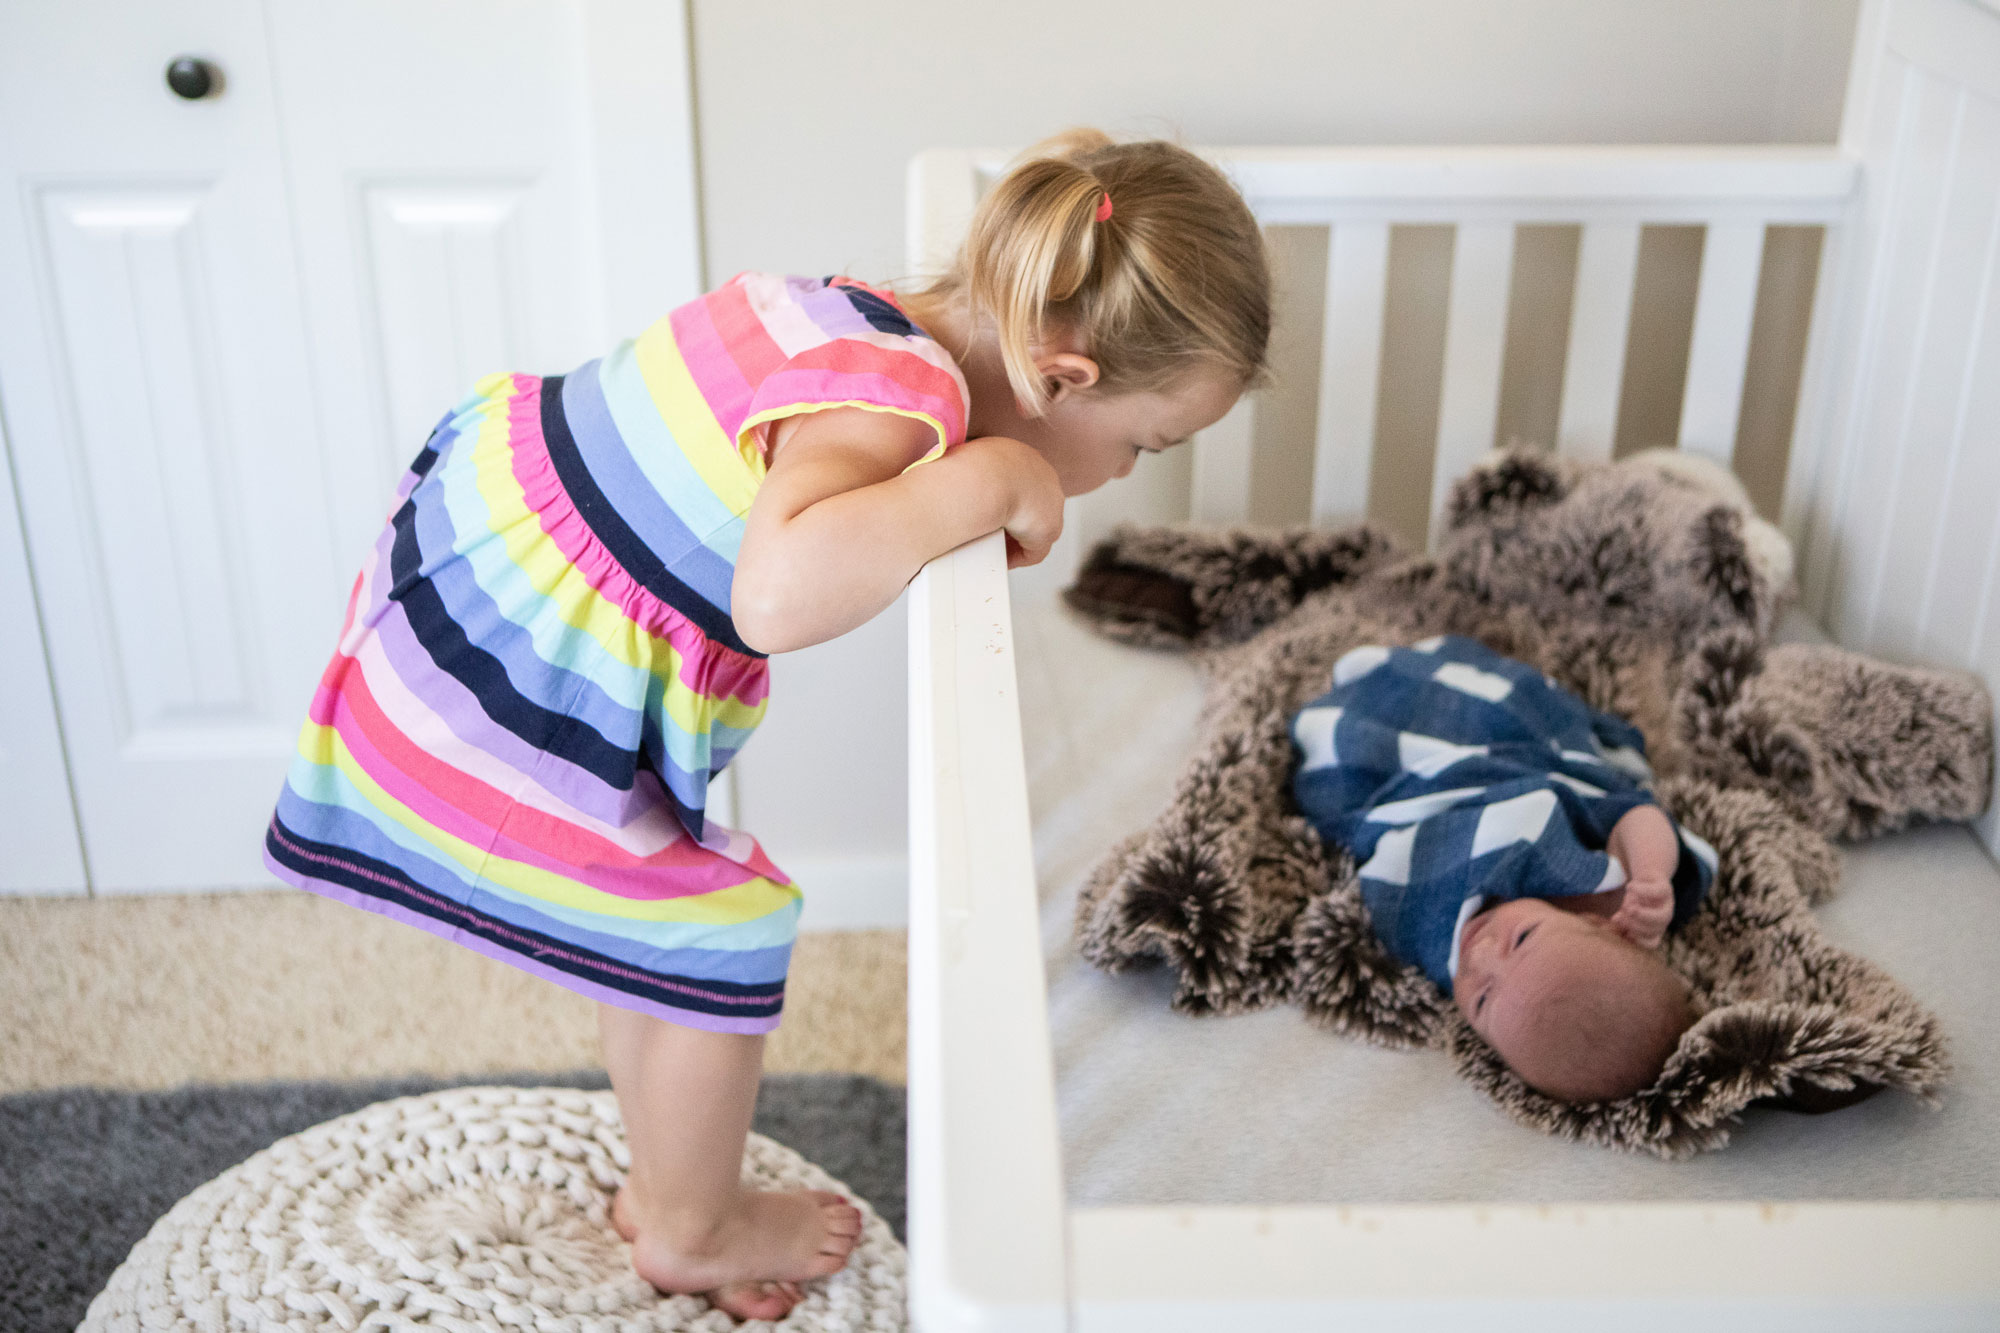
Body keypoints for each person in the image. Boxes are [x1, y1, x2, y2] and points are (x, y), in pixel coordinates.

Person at [263, 129, 1270, 1320]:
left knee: (643, 922)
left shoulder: (857, 314)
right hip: (512, 666)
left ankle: (662, 1180)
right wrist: (986, 477)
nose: (1129, 472)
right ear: (1061, 376)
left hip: (498, 550)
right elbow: (777, 595)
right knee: (720, 930)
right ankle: (693, 1228)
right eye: (1143, 444)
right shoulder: (903, 402)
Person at [1290, 635, 1717, 1104]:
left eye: (1481, 1000)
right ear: (1599, 926)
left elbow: (1389, 873)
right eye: (1522, 938)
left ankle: (1361, 704)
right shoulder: (1607, 899)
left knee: (1348, 756)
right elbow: (1636, 814)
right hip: (1507, 756)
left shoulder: (1432, 943)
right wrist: (1651, 875)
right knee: (1493, 708)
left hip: (1426, 797)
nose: (1480, 953)